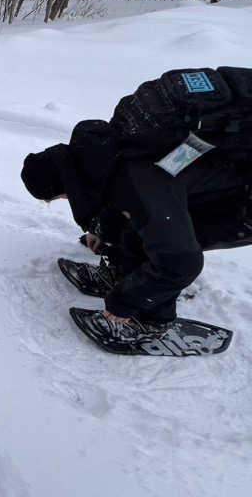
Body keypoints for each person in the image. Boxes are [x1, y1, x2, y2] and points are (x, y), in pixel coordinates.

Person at [21, 66, 252, 345]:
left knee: (170, 250)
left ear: (67, 186)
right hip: (217, 171)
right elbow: (129, 193)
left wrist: (123, 302)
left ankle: (150, 322)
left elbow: (181, 262)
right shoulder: (111, 147)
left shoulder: (138, 182)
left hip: (241, 203)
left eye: (61, 197)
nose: (66, 201)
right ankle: (123, 274)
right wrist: (104, 232)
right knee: (148, 219)